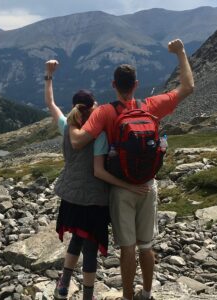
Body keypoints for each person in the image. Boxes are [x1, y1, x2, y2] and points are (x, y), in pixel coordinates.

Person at [67, 39, 194, 300]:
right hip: (148, 185)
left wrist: (70, 122)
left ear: (114, 85)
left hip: (121, 188)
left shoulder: (105, 112)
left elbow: (78, 141)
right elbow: (188, 87)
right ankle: (146, 293)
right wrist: (180, 52)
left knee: (127, 248)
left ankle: (127, 297)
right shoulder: (150, 106)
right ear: (136, 85)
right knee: (146, 246)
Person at [44, 60, 149, 300]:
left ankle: (63, 286)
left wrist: (48, 75)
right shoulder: (98, 134)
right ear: (93, 107)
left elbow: (50, 103)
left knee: (76, 239)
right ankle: (88, 296)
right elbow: (100, 172)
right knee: (90, 249)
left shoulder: (67, 125)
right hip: (94, 199)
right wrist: (128, 184)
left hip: (71, 196)